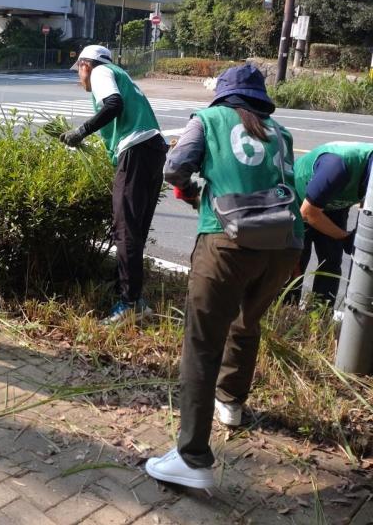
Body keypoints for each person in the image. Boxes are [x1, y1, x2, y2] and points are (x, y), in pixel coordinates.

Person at [145, 64, 303, 489]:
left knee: (202, 344)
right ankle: (231, 402)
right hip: (284, 245)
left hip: (228, 238)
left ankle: (192, 458)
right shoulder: (281, 133)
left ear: (223, 96)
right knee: (246, 323)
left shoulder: (208, 119)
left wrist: (196, 191)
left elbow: (175, 167)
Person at [61, 45, 167, 323]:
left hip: (137, 149)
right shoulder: (122, 74)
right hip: (152, 148)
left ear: (86, 65)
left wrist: (81, 131)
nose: (79, 79)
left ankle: (130, 303)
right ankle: (133, 295)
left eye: (79, 72)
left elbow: (113, 105)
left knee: (125, 228)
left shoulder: (101, 72)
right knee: (135, 227)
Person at [286, 142, 373, 306]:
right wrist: (346, 237)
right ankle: (287, 315)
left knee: (331, 262)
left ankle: (320, 316)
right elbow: (308, 213)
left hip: (336, 205)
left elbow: (367, 205)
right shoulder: (337, 166)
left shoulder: (369, 175)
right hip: (300, 203)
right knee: (296, 262)